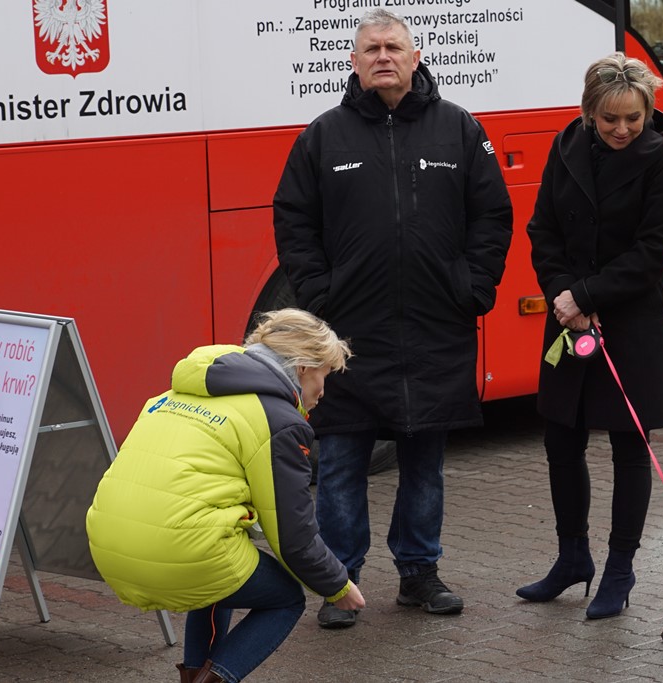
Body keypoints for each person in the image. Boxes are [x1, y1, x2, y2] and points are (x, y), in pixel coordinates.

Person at [273, 8, 512, 629]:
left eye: (393, 47)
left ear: (415, 56)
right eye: (371, 48)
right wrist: (321, 295)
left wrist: (473, 285)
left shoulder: (458, 129)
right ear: (353, 62)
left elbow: (492, 214)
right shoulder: (323, 137)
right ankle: (341, 581)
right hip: (350, 337)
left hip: (437, 330)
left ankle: (419, 573)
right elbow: (293, 220)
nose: (383, 56)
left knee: (424, 463)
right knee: (343, 461)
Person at [85, 309, 365, 683]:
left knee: (220, 578)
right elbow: (293, 535)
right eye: (324, 374)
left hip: (107, 544)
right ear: (302, 368)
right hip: (178, 549)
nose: (323, 390)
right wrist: (337, 586)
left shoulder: (173, 392)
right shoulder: (278, 420)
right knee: (286, 598)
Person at [518, 53, 663, 619]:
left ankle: (619, 569)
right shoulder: (565, 148)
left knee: (628, 448)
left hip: (633, 323)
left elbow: (654, 250)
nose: (622, 129)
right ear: (589, 111)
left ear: (647, 112)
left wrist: (586, 296)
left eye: (633, 118)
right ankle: (572, 559)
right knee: (560, 439)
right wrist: (566, 296)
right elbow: (542, 228)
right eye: (610, 118)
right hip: (570, 318)